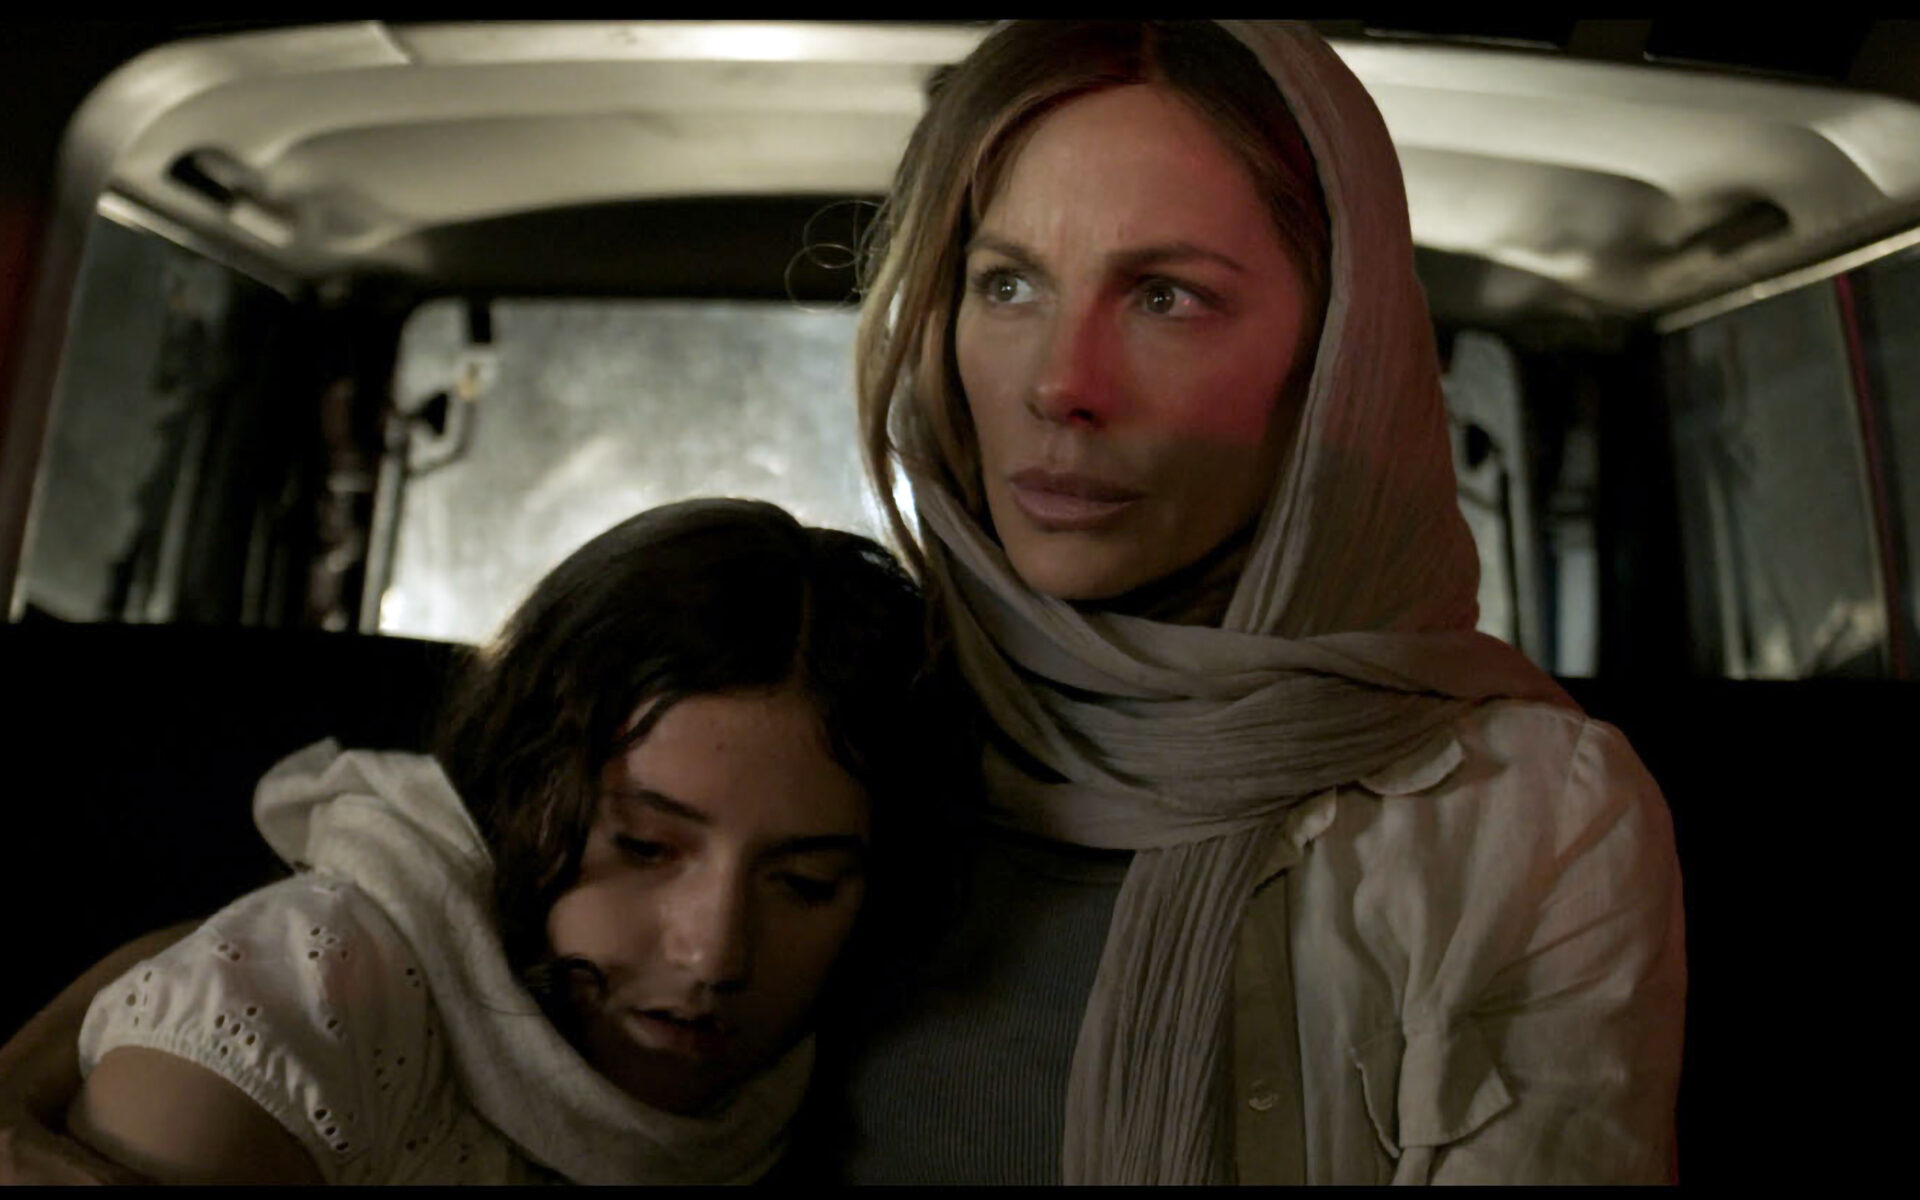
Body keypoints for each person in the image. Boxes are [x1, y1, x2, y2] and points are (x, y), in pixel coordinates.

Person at [1, 20, 1683, 1186]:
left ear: (1336, 355)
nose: (1062, 383)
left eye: (1168, 297)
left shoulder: (1516, 817)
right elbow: (416, 903)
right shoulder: (861, 700)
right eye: (1006, 283)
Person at [10, 498, 943, 1184]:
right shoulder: (285, 1018)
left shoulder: (845, 1074)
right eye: (643, 847)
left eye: (805, 884)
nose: (714, 955)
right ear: (523, 794)